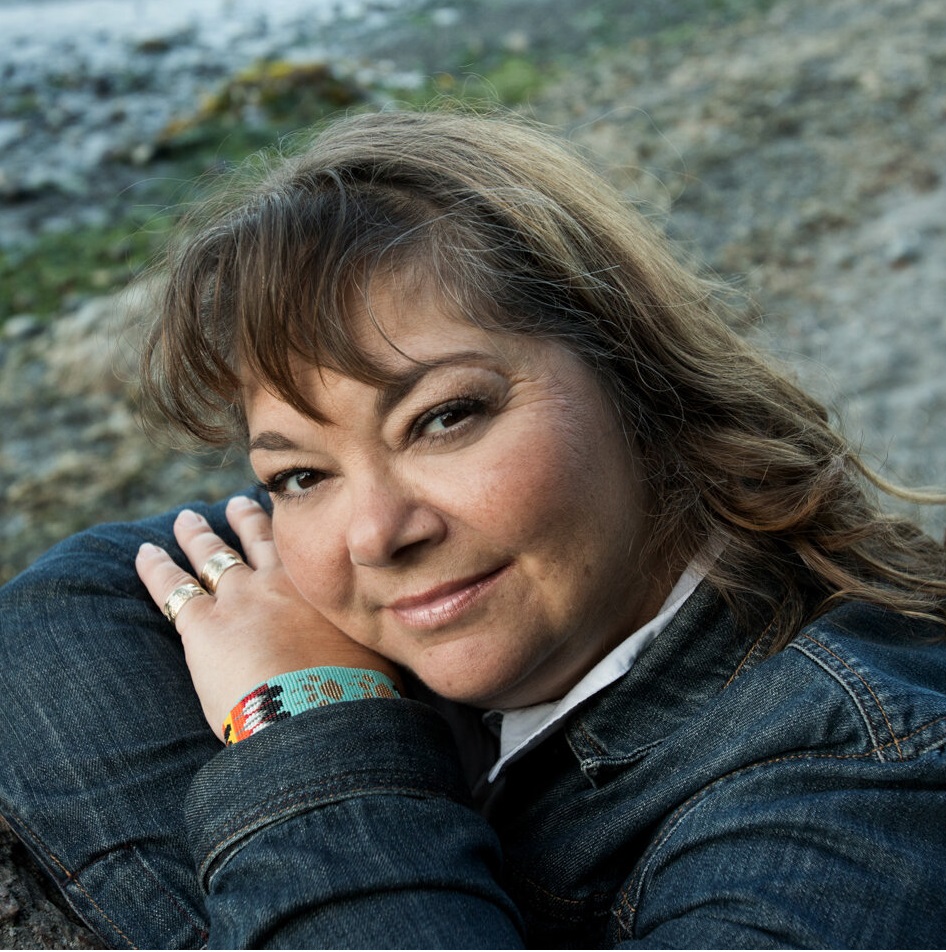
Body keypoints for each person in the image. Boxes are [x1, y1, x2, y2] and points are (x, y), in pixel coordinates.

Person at [1, 108, 945, 950]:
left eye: (445, 417)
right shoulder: (493, 603)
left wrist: (309, 724)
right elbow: (67, 609)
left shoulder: (867, 780)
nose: (376, 533)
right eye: (300, 475)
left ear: (639, 379)